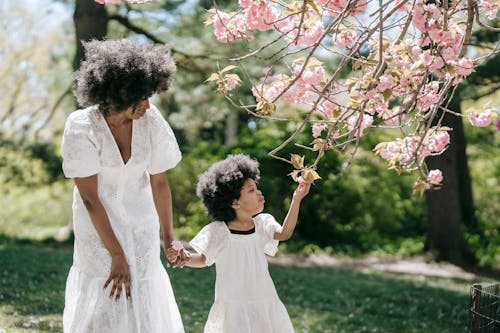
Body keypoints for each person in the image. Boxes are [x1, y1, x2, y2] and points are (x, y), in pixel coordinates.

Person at [61, 39, 188, 333]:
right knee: (109, 288)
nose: (146, 104)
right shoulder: (82, 126)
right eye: (138, 97)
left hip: (142, 224)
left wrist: (169, 238)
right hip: (98, 226)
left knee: (143, 287)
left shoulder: (151, 119)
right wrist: (116, 253)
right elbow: (90, 199)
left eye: (148, 95)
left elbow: (159, 182)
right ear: (116, 93)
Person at [168, 154, 311, 333]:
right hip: (233, 307)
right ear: (234, 202)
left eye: (256, 188)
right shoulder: (218, 231)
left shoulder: (262, 224)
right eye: (251, 190)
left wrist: (296, 199)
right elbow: (204, 259)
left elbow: (285, 232)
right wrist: (185, 258)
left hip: (264, 300)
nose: (259, 192)